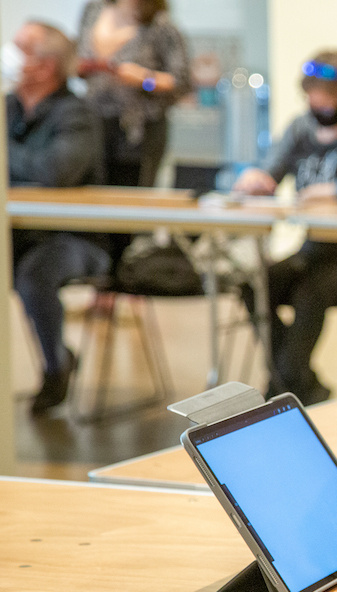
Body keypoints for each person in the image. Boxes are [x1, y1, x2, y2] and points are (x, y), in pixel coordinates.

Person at [234, 50, 337, 404]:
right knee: (254, 286)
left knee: (312, 290)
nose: (319, 103)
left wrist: (314, 192)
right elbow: (271, 173)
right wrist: (256, 179)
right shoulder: (300, 127)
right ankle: (298, 383)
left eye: (328, 95)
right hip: (317, 250)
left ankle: (285, 385)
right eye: (313, 94)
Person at [7, 21, 107, 414]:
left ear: (45, 65)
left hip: (77, 238)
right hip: (19, 231)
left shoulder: (76, 114)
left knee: (34, 274)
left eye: (19, 48)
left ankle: (54, 367)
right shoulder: (9, 107)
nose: (9, 56)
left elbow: (56, 172)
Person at [76, 0, 191, 187]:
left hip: (138, 130)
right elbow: (78, 58)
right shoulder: (93, 10)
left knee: (129, 194)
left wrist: (144, 80)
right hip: (93, 121)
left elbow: (182, 82)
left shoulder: (160, 24)